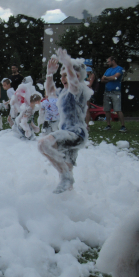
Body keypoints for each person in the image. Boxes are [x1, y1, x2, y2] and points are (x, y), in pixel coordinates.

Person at [38, 49, 93, 193]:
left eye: (65, 75)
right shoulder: (64, 92)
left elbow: (74, 83)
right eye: (62, 75)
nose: (63, 78)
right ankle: (69, 202)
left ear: (78, 75)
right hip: (71, 135)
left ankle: (65, 176)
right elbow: (49, 91)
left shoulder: (79, 89)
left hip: (75, 133)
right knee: (68, 167)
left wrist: (68, 63)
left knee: (43, 144)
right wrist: (50, 73)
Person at [101, 56, 126, 132]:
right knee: (107, 109)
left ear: (113, 61)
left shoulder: (119, 69)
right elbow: (102, 80)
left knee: (118, 109)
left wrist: (107, 78)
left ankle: (123, 126)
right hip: (107, 91)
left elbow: (115, 78)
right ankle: (108, 125)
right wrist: (109, 78)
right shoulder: (108, 69)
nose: (107, 63)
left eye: (108, 61)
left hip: (116, 92)